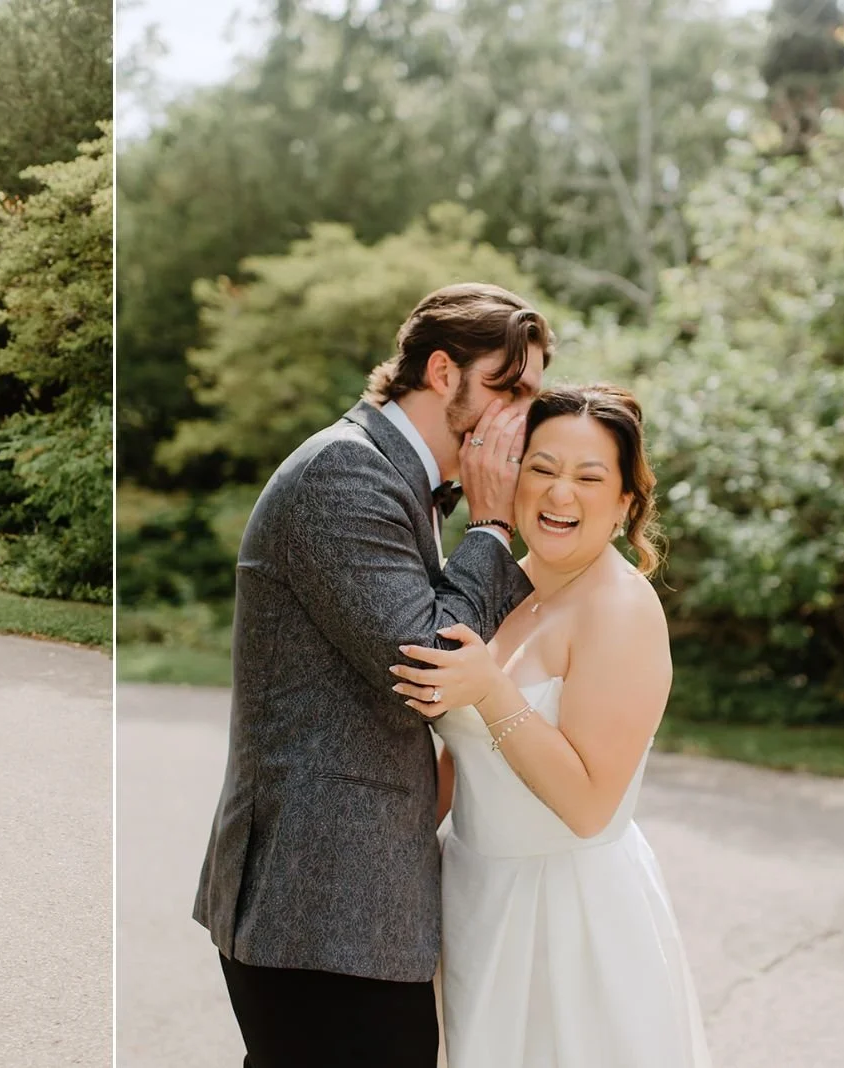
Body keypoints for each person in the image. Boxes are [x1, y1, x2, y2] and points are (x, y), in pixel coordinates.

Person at [193, 283, 551, 1066]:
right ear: (444, 372)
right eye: (511, 389)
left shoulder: (397, 477)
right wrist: (492, 526)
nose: (522, 417)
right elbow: (430, 666)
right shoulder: (345, 473)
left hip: (351, 903)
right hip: (316, 902)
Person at [391, 384, 711, 1067]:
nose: (559, 492)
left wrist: (491, 690)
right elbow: (466, 756)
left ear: (625, 502)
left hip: (568, 917)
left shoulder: (620, 609)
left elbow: (590, 806)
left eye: (588, 478)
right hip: (473, 898)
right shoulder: (501, 585)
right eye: (542, 468)